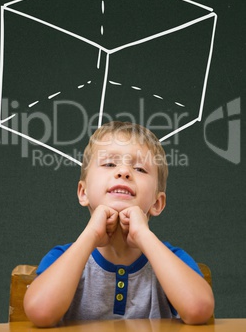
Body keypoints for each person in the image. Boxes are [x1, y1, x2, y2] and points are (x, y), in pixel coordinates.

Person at [24, 121, 214, 327]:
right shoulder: (62, 258)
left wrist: (144, 235)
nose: (123, 172)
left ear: (157, 203)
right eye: (109, 164)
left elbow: (199, 309)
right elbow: (40, 312)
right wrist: (90, 235)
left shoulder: (172, 260)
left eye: (140, 168)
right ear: (83, 192)